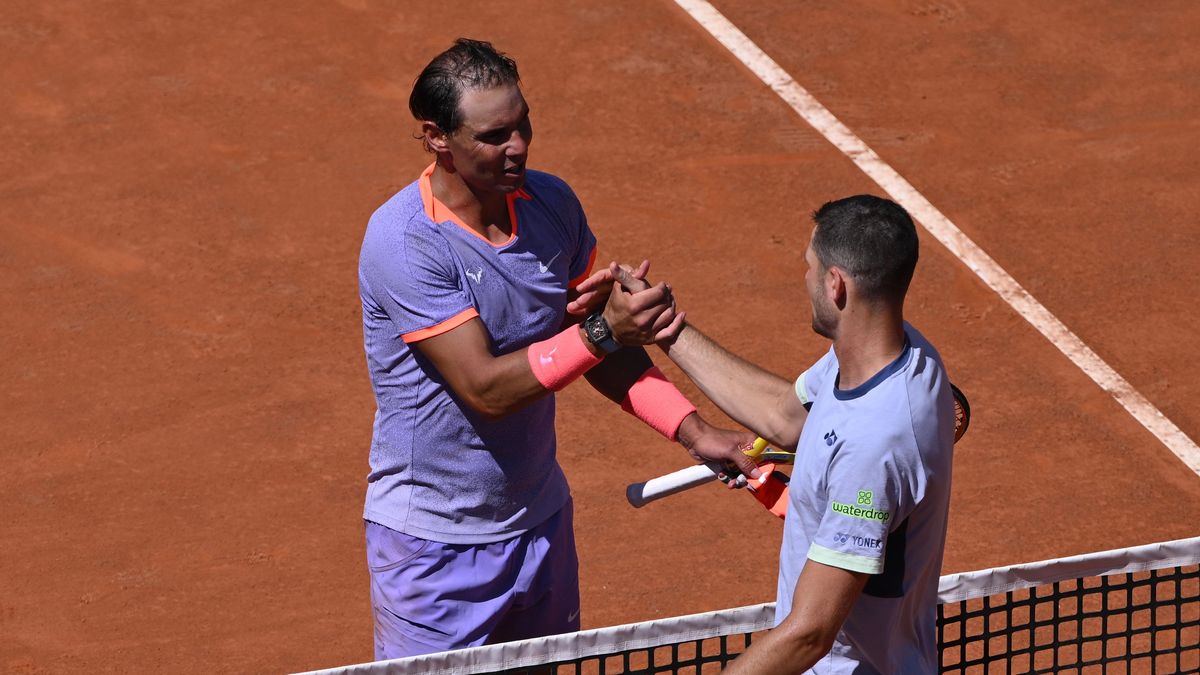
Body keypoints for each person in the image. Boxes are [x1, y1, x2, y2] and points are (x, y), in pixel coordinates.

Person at [356, 38, 758, 660]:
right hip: (434, 549)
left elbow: (598, 345)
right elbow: (486, 389)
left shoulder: (552, 205)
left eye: (523, 126)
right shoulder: (406, 242)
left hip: (540, 524)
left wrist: (694, 430)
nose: (517, 148)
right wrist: (605, 331)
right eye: (494, 137)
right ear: (438, 137)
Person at [607, 195, 955, 673]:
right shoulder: (894, 349)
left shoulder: (875, 446)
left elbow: (810, 632)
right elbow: (782, 417)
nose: (805, 279)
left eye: (810, 267)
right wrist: (663, 328)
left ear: (836, 285)